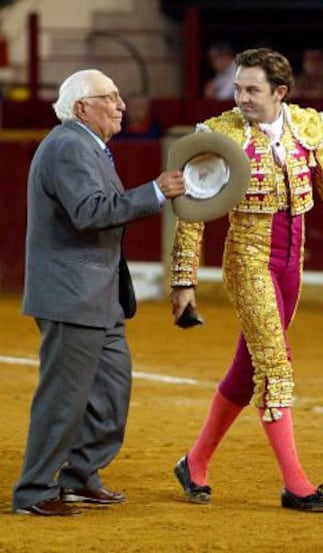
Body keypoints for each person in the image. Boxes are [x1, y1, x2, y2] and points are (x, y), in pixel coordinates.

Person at [170, 48, 323, 513]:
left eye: (251, 90)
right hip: (248, 259)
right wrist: (184, 281)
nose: (240, 97)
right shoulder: (219, 135)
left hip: (290, 264)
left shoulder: (308, 127)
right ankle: (295, 483)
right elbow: (192, 213)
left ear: (280, 92)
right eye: (238, 87)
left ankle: (194, 462)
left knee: (248, 371)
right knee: (276, 367)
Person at [12, 69, 185, 517]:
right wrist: (155, 193)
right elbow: (89, 212)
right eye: (110, 97)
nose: (121, 105)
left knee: (111, 389)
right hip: (73, 294)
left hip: (96, 295)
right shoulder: (71, 145)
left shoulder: (87, 146)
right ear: (82, 108)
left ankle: (80, 475)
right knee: (64, 397)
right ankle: (34, 490)